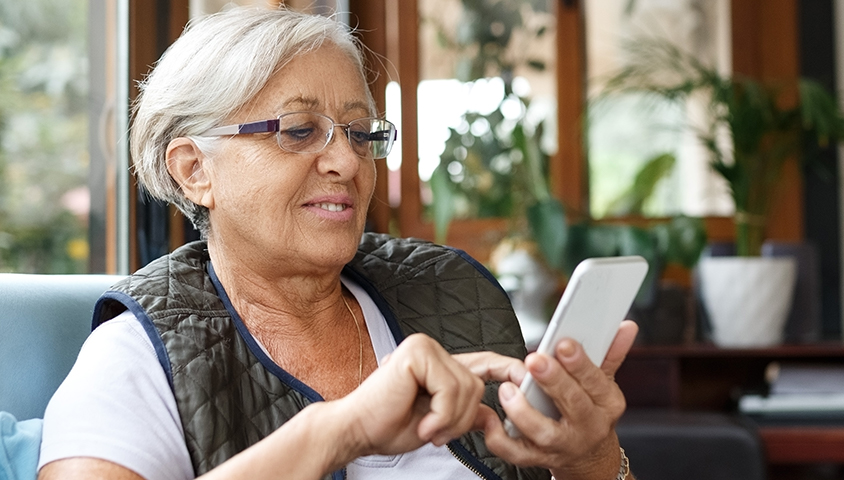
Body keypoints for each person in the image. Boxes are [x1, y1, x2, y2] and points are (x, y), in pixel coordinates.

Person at [37, 7, 637, 480]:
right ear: (195, 169)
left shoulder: (453, 292)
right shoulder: (138, 357)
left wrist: (590, 461)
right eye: (298, 131)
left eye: (360, 132)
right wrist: (338, 432)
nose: (347, 160)